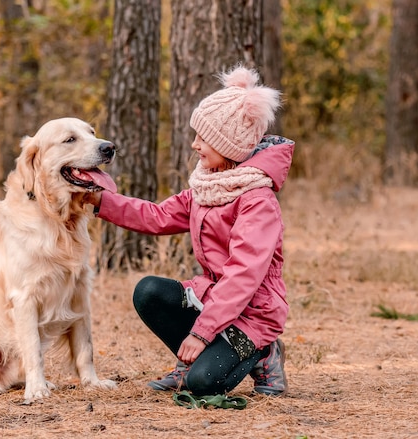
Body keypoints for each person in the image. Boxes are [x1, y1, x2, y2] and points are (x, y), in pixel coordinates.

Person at [85, 65, 294, 397]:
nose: (195, 145)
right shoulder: (209, 185)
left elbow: (243, 275)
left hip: (252, 315)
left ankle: (265, 352)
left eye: (204, 138)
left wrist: (201, 334)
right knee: (150, 291)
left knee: (202, 384)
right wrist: (100, 201)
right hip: (212, 299)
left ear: (231, 145)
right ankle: (194, 360)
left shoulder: (257, 201)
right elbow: (157, 216)